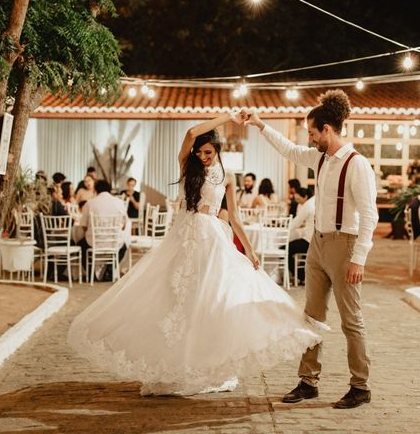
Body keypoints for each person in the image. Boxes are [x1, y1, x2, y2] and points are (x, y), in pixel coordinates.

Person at [68, 112, 322, 397]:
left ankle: (202, 367)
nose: (203, 156)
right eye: (200, 152)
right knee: (175, 301)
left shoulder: (227, 177)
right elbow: (191, 133)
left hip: (212, 239)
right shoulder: (188, 167)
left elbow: (235, 218)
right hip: (184, 237)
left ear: (218, 151)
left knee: (208, 301)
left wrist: (249, 251)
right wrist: (225, 117)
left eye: (209, 152)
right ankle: (172, 368)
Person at [245, 89, 378, 409]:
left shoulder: (357, 165)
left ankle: (360, 386)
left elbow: (370, 215)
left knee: (351, 320)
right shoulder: (319, 157)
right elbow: (289, 150)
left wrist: (359, 258)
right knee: (312, 317)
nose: (310, 138)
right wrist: (261, 126)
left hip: (345, 246)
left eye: (313, 132)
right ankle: (308, 381)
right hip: (318, 244)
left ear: (328, 131)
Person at [78, 179, 128, 281]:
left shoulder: (90, 203)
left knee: (80, 245)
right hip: (114, 243)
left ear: (96, 190)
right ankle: (108, 271)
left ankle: (91, 272)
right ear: (110, 190)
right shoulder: (119, 203)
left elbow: (83, 226)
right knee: (123, 247)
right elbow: (124, 225)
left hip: (94, 243)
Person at [288, 187, 315, 285]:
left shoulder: (308, 205)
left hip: (308, 241)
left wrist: (283, 227)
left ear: (305, 197)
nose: (298, 202)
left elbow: (295, 223)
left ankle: (300, 276)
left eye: (299, 199)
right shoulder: (315, 201)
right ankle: (302, 275)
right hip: (315, 241)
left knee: (285, 249)